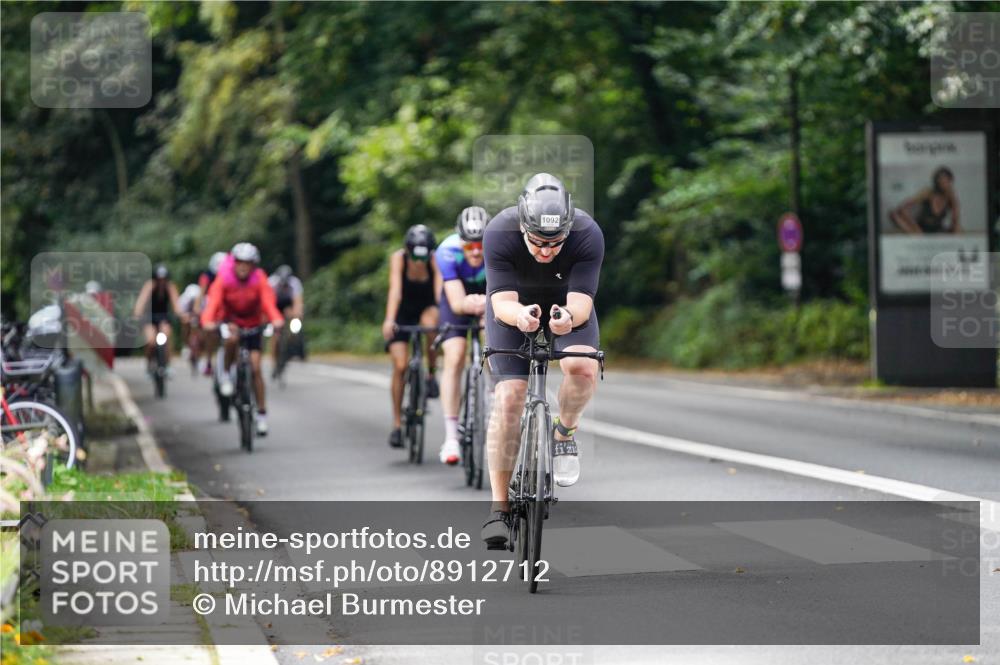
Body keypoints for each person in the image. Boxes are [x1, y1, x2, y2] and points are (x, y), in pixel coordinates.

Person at [479, 174, 604, 549]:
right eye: (537, 242)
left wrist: (566, 318)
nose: (546, 251)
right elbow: (501, 302)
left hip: (567, 305)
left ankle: (563, 434)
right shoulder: (499, 231)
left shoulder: (587, 233)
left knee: (582, 367)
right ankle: (498, 510)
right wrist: (520, 317)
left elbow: (581, 303)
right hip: (513, 309)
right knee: (510, 397)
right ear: (522, 225)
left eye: (555, 243)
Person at [200, 243, 284, 436]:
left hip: (254, 324)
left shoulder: (259, 279)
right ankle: (227, 375)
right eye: (240, 263)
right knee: (231, 339)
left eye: (247, 263)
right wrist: (207, 321)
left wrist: (277, 320)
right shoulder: (224, 279)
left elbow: (269, 303)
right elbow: (213, 303)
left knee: (255, 368)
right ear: (234, 263)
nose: (243, 267)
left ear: (253, 265)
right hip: (232, 322)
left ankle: (261, 414)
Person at [435, 206, 489, 465]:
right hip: (456, 298)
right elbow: (457, 304)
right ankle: (451, 437)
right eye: (470, 246)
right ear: (460, 243)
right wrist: (477, 303)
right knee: (455, 357)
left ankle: (493, 400)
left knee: (497, 347)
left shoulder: (499, 248)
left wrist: (486, 306)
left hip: (490, 297)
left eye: (480, 245)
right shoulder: (447, 251)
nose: (476, 251)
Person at [382, 224, 441, 449]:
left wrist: (443, 314)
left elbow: (438, 292)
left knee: (431, 325)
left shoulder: (434, 260)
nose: (419, 261)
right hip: (403, 312)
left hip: (426, 307)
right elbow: (395, 291)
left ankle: (431, 374)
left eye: (423, 255)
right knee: (400, 366)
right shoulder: (398, 259)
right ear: (407, 250)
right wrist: (389, 320)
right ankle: (397, 424)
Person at [133, 264, 186, 372]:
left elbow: (176, 304)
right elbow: (141, 302)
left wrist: (181, 314)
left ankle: (167, 364)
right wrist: (137, 313)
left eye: (164, 279)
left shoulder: (169, 287)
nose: (162, 282)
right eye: (159, 279)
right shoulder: (150, 286)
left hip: (164, 318)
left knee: (166, 336)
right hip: (149, 318)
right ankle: (149, 364)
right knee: (150, 341)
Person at [889, 166, 962, 234]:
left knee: (958, 229)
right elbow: (902, 208)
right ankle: (916, 233)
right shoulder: (928, 193)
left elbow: (956, 220)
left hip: (938, 229)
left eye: (946, 180)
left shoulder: (951, 197)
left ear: (950, 181)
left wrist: (954, 200)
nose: (943, 182)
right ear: (936, 181)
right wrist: (915, 226)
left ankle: (918, 234)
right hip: (921, 228)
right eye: (940, 179)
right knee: (894, 214)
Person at [195, 251, 228, 375]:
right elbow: (201, 294)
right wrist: (198, 309)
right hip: (211, 308)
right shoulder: (207, 277)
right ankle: (209, 360)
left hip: (226, 310)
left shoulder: (231, 277)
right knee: (209, 332)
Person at [268, 264, 305, 376]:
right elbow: (268, 303)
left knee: (296, 324)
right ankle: (274, 362)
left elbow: (298, 302)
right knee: (276, 335)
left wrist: (297, 314)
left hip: (288, 305)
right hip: (275, 305)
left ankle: (291, 344)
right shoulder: (271, 282)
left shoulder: (295, 283)